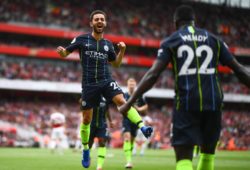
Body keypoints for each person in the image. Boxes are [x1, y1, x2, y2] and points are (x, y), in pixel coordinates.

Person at [119, 5, 250, 170]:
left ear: (176, 23)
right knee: (208, 154)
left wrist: (129, 102)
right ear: (194, 22)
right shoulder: (215, 40)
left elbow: (153, 74)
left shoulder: (172, 41)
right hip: (214, 101)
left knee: (184, 159)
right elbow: (239, 69)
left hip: (186, 102)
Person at [56, 10, 153, 168]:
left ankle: (143, 127)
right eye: (96, 19)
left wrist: (122, 51)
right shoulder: (82, 39)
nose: (99, 21)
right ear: (91, 23)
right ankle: (86, 149)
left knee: (122, 100)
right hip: (89, 84)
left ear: (105, 23)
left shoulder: (108, 44)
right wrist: (62, 52)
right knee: (87, 119)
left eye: (102, 19)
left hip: (106, 80)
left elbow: (116, 64)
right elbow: (66, 53)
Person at [122, 78, 148, 169]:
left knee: (132, 140)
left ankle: (130, 154)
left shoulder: (138, 95)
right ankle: (128, 161)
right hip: (126, 120)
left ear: (135, 85)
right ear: (127, 85)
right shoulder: (124, 95)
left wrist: (139, 109)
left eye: (133, 83)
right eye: (130, 83)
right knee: (127, 138)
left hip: (136, 121)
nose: (132, 85)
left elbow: (145, 106)